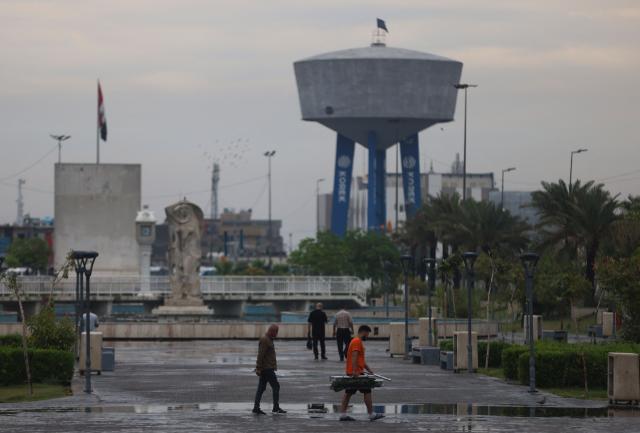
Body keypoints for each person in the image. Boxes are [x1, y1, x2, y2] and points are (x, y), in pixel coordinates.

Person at [339, 325, 384, 422]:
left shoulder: (356, 341)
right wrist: (355, 371)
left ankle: (343, 414)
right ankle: (371, 414)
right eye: (367, 334)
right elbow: (354, 356)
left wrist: (368, 369)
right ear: (364, 332)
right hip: (356, 373)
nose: (367, 336)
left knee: (349, 393)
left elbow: (360, 360)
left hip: (356, 372)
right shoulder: (357, 342)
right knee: (367, 391)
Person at [253, 324, 286, 415]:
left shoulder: (269, 339)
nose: (277, 334)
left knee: (261, 388)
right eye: (276, 332)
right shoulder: (265, 340)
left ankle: (256, 408)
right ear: (272, 331)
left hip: (267, 368)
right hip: (267, 369)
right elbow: (260, 355)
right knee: (276, 386)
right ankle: (275, 407)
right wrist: (258, 368)